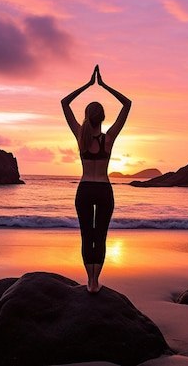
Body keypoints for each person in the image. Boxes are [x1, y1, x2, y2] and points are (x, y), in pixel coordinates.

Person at [61, 65, 132, 293]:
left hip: (84, 189)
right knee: (100, 235)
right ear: (102, 118)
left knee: (86, 235)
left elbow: (64, 103)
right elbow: (127, 104)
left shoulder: (80, 136)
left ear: (86, 117)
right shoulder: (109, 138)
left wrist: (87, 85)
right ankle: (94, 282)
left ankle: (89, 279)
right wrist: (103, 85)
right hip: (103, 189)